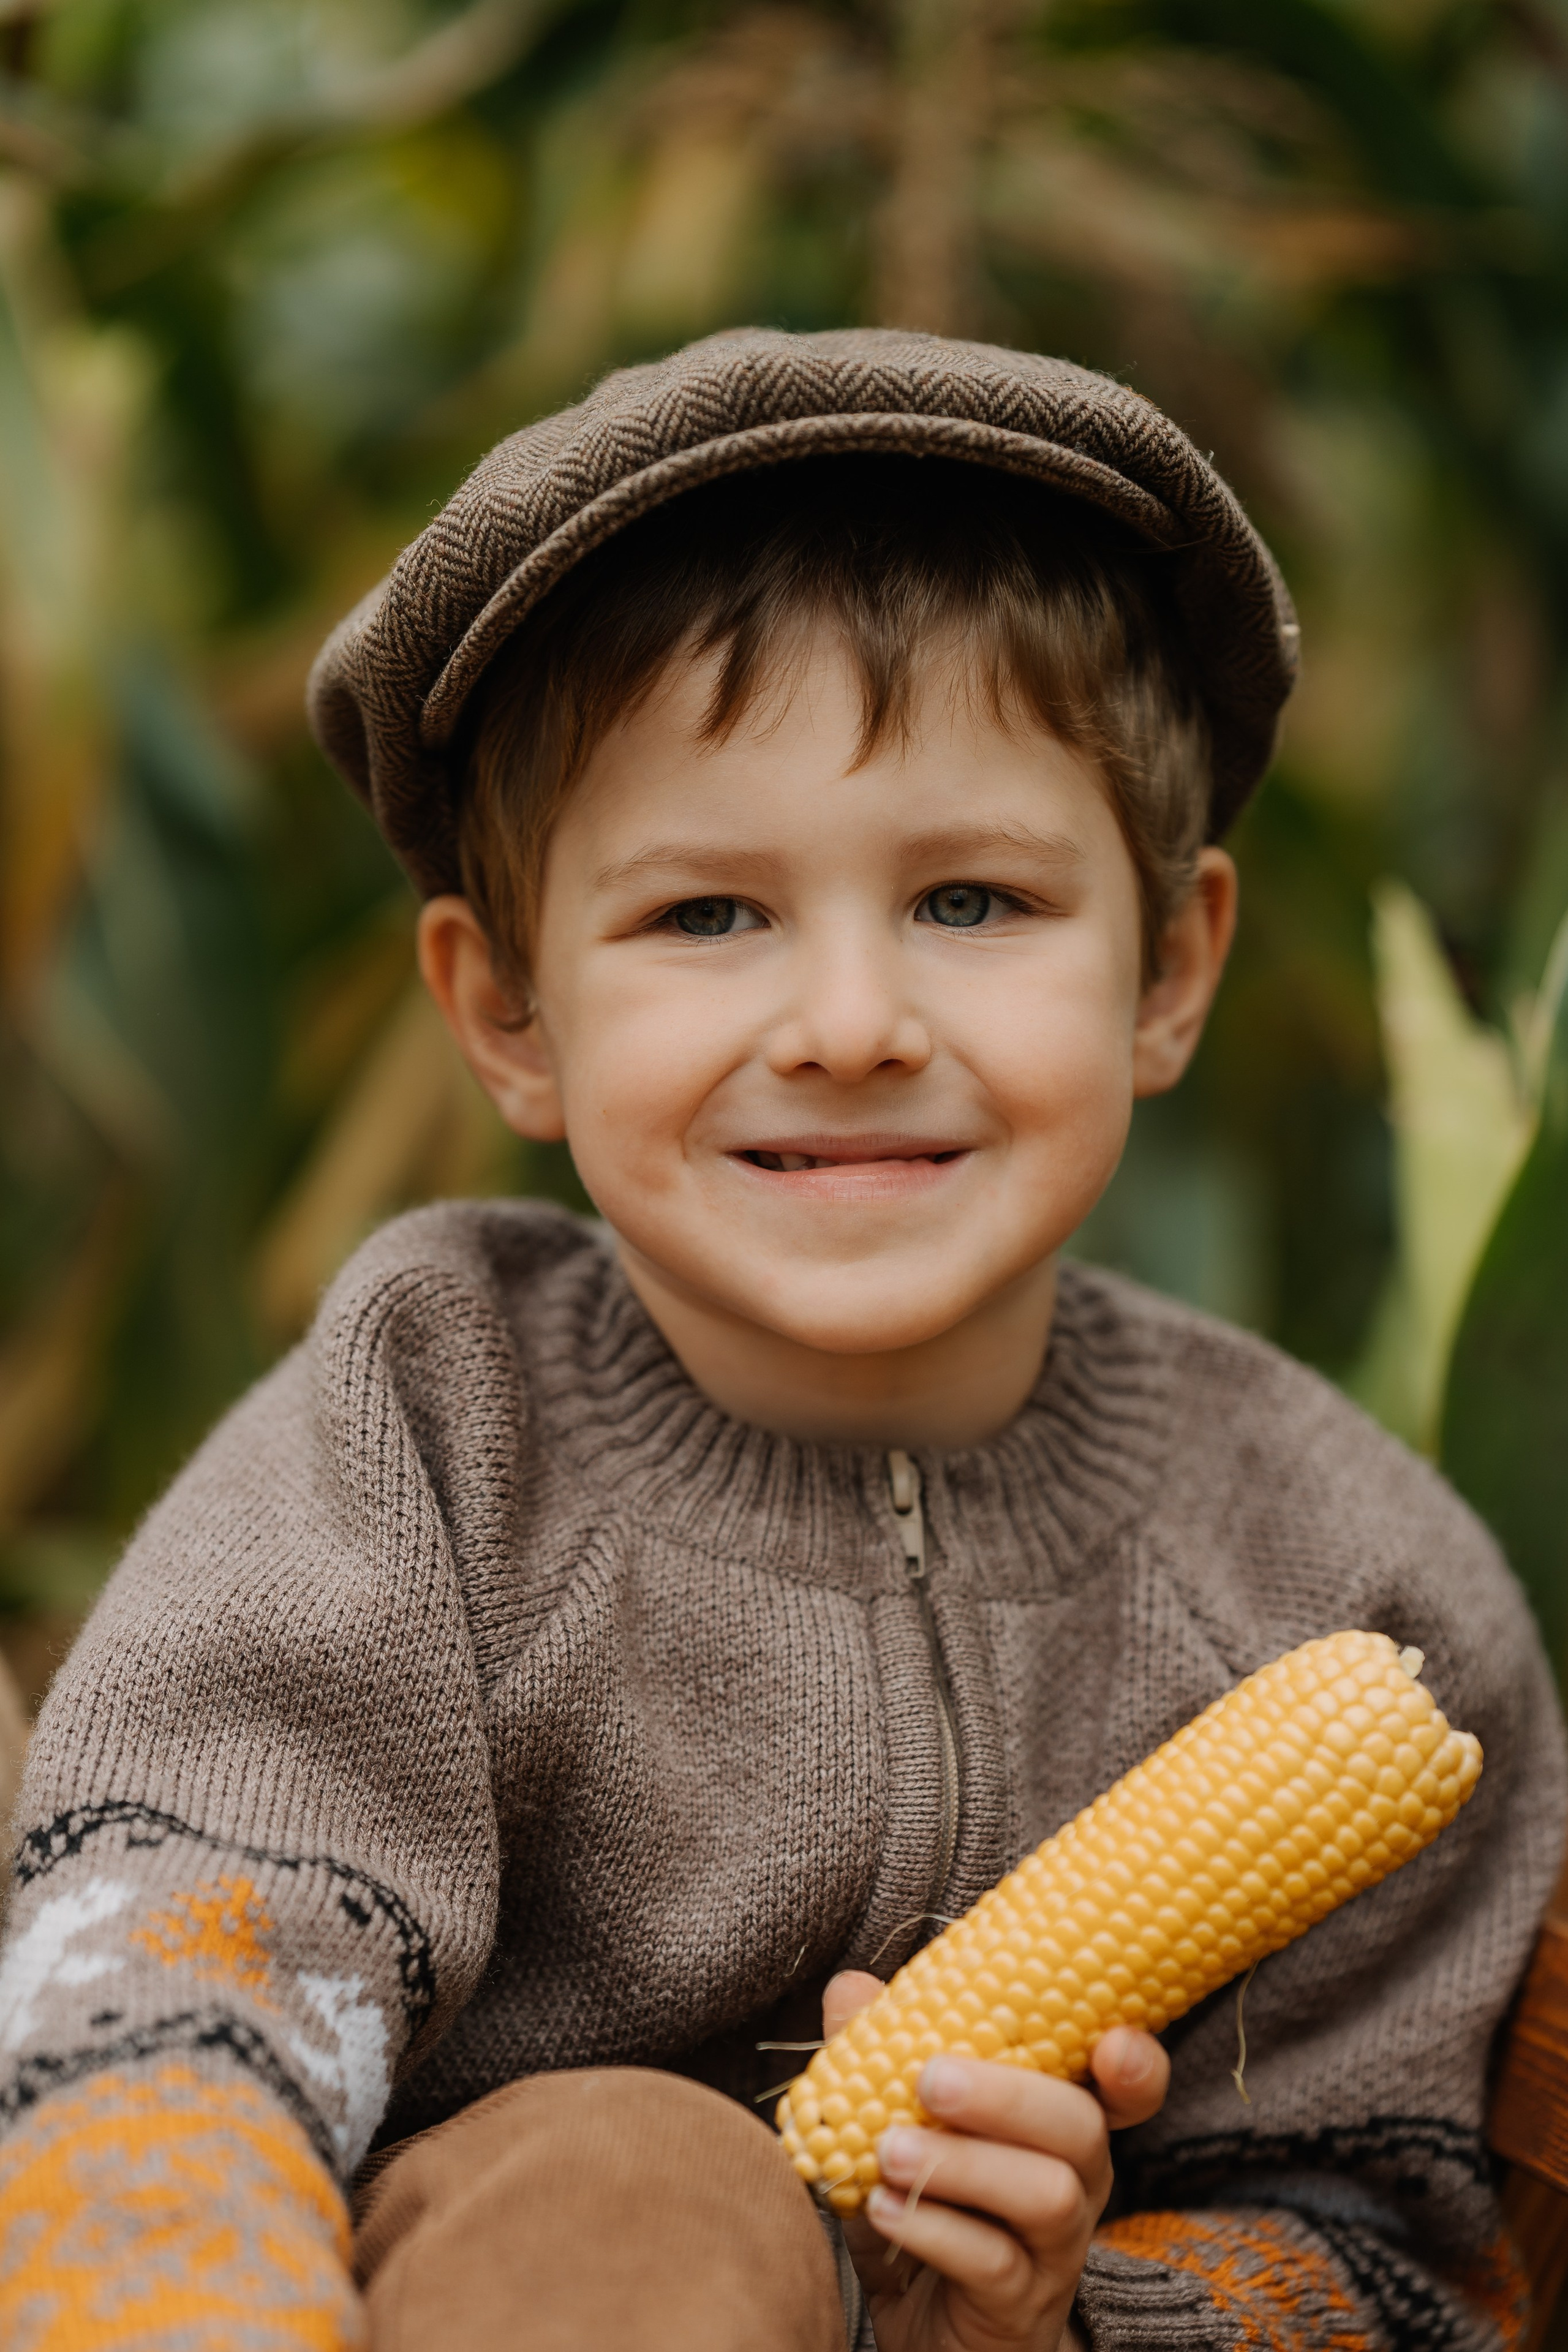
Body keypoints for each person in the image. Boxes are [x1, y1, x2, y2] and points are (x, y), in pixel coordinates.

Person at [0, 329, 1559, 2352]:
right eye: (710, 916)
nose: (847, 1023)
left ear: (1170, 969)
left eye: (976, 904)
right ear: (510, 1018)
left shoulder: (1333, 1567)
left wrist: (1068, 2305)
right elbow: (176, 1982)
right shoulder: (427, 1431)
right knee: (643, 2177)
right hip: (487, 2289)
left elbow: (1414, 2251)